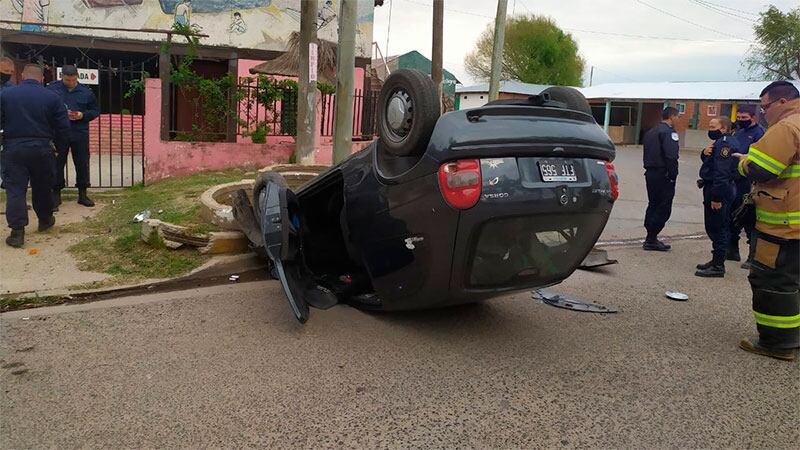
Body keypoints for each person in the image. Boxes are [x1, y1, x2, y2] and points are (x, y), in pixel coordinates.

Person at [734, 81, 800, 361]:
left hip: (783, 224)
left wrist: (744, 161)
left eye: (765, 106)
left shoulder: (788, 127)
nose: (763, 113)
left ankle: (776, 343)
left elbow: (762, 168)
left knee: (773, 281)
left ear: (783, 102)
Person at [0, 64, 69, 248]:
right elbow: (63, 127)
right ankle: (45, 219)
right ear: (41, 79)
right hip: (42, 147)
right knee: (42, 186)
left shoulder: (6, 95)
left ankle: (17, 232)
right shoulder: (52, 97)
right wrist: (59, 149)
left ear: (22, 75)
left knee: (15, 190)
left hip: (14, 146)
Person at [48, 64, 99, 207]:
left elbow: (95, 111)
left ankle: (82, 194)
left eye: (73, 80)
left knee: (82, 163)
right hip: (58, 133)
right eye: (67, 80)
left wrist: (83, 115)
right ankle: (56, 194)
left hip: (79, 132)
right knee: (57, 163)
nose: (70, 82)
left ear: (77, 76)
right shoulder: (52, 89)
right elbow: (45, 108)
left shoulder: (86, 92)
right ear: (62, 77)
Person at [695, 117, 740, 277]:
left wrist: (716, 198)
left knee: (717, 226)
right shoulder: (722, 142)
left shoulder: (724, 144)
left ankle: (718, 265)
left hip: (719, 189)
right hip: (718, 187)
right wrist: (704, 153)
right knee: (717, 225)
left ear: (723, 128)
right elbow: (712, 163)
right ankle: (716, 260)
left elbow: (721, 173)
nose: (710, 128)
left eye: (713, 126)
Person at [728, 105, 766, 266]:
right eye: (739, 118)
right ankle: (732, 250)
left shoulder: (760, 134)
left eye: (745, 118)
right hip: (735, 179)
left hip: (749, 181)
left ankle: (753, 256)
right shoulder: (738, 132)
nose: (741, 121)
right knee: (733, 215)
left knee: (749, 218)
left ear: (753, 118)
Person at [642, 106, 681, 251]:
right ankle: (652, 238)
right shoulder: (669, 133)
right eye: (678, 117)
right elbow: (671, 156)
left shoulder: (651, 131)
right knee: (663, 206)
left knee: (653, 203)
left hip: (650, 173)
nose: (678, 119)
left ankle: (650, 236)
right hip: (663, 174)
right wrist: (673, 174)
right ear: (672, 117)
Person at [1, 56, 16, 191]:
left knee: (6, 159)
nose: (9, 74)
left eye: (11, 72)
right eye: (6, 71)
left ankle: (6, 181)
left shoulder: (11, 87)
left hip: (6, 129)